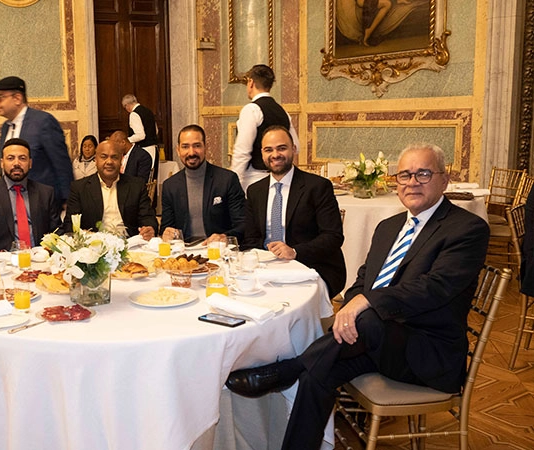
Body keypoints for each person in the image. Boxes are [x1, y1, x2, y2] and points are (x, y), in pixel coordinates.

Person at [226, 143, 490, 450]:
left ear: (444, 179)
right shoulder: (389, 226)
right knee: (318, 374)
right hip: (372, 342)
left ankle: (290, 368)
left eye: (423, 174)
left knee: (368, 319)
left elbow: (434, 288)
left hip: (426, 352)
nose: (412, 182)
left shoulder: (467, 228)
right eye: (404, 175)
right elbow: (364, 280)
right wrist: (351, 304)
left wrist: (364, 304)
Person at [241, 125, 346, 295]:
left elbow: (333, 237)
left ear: (294, 149)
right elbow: (251, 238)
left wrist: (295, 252)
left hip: (311, 264)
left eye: (282, 148)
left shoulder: (317, 187)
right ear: (262, 153)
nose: (275, 155)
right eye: (269, 150)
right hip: (265, 268)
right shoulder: (255, 191)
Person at [0, 138, 61, 255]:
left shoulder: (45, 193)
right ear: (2, 163)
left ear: (30, 163)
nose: (16, 163)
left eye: (22, 158)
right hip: (0, 261)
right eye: (10, 158)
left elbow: (57, 231)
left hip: (40, 259)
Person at [0, 76, 73, 205]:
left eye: (0, 97)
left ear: (17, 98)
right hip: (12, 201)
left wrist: (68, 200)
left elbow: (61, 164)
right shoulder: (5, 128)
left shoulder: (43, 122)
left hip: (41, 201)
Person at [161, 125, 245, 244]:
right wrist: (167, 233)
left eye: (197, 146)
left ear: (205, 147)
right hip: (184, 251)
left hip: (218, 250)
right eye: (185, 147)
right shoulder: (170, 186)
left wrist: (225, 237)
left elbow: (242, 224)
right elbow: (166, 227)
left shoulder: (227, 179)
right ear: (178, 150)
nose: (191, 152)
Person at [63, 139, 157, 239]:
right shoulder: (79, 188)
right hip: (94, 244)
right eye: (104, 157)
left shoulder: (136, 186)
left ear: (121, 160)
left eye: (114, 157)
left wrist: (149, 229)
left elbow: (148, 217)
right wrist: (84, 235)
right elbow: (70, 224)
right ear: (96, 160)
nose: (109, 162)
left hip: (129, 242)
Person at [230, 65, 300, 192]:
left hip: (254, 180)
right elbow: (296, 146)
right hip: (281, 179)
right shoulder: (283, 111)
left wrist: (233, 184)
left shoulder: (251, 110)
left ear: (251, 82)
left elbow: (242, 151)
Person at [121, 94, 159, 176]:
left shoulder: (134, 114)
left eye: (125, 107)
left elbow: (141, 135)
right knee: (151, 176)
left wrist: (127, 140)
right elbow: (156, 130)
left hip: (143, 149)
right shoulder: (148, 111)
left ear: (127, 105)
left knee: (142, 175)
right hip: (154, 149)